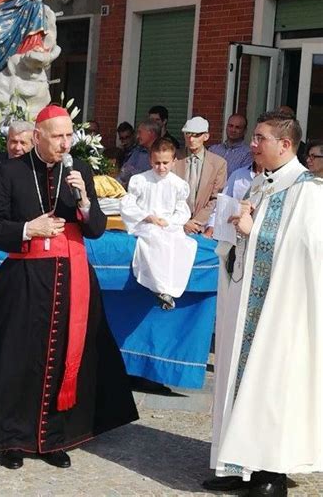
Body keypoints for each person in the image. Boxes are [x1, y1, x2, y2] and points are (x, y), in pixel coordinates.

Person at [0, 104, 138, 470]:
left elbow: (96, 228)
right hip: (24, 280)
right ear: (38, 136)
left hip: (72, 278)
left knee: (67, 354)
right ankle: (13, 439)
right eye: (57, 137)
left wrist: (84, 202)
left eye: (69, 136)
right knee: (18, 358)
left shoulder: (80, 169)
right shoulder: (9, 172)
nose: (65, 144)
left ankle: (54, 438)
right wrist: (27, 230)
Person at [204, 111, 322, 496]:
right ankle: (238, 465)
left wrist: (252, 234)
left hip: (282, 314)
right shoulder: (259, 184)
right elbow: (239, 242)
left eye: (260, 138)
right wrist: (234, 231)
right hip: (245, 305)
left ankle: (270, 472)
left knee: (273, 386)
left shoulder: (308, 192)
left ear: (285, 145)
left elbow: (305, 253)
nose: (252, 145)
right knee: (239, 380)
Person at [120, 138, 197, 311]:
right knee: (155, 239)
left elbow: (182, 211)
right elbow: (127, 205)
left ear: (174, 161)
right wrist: (147, 216)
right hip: (146, 225)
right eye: (157, 163)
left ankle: (168, 289)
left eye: (165, 163)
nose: (161, 167)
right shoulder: (140, 180)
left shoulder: (178, 184)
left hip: (169, 226)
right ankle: (160, 288)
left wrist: (169, 221)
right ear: (150, 160)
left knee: (182, 245)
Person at [174, 117, 227, 235]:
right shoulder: (173, 158)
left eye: (196, 135)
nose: (191, 139)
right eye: (188, 134)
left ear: (206, 136)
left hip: (200, 229)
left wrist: (196, 222)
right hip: (174, 226)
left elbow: (216, 198)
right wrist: (183, 221)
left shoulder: (218, 163)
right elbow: (166, 192)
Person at [117, 119, 161, 188]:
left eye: (140, 132)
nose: (137, 136)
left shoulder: (162, 152)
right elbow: (124, 173)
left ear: (151, 133)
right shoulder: (138, 151)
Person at [208, 114, 252, 178]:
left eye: (237, 127)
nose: (233, 130)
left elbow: (242, 180)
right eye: (230, 126)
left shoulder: (248, 154)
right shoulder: (213, 150)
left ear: (245, 131)